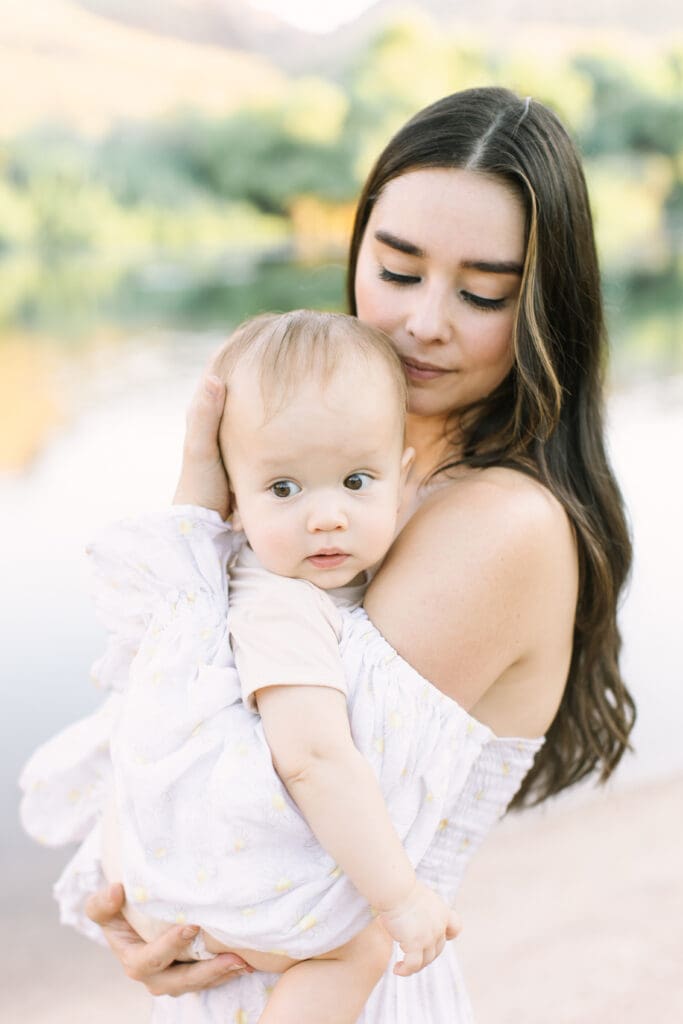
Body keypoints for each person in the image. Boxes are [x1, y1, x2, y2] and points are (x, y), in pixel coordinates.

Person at [22, 87, 635, 1023]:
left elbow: (284, 832)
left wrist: (152, 879)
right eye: (395, 271)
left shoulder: (497, 525)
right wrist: (133, 906)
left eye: (481, 294)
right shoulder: (330, 470)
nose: (424, 321)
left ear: (545, 307)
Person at [93, 309, 459, 1024]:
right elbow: (312, 759)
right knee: (355, 949)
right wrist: (402, 899)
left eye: (357, 480)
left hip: (154, 857)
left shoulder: (274, 569)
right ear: (235, 497)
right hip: (195, 879)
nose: (325, 516)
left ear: (403, 478)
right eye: (284, 489)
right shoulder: (282, 607)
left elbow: (181, 565)